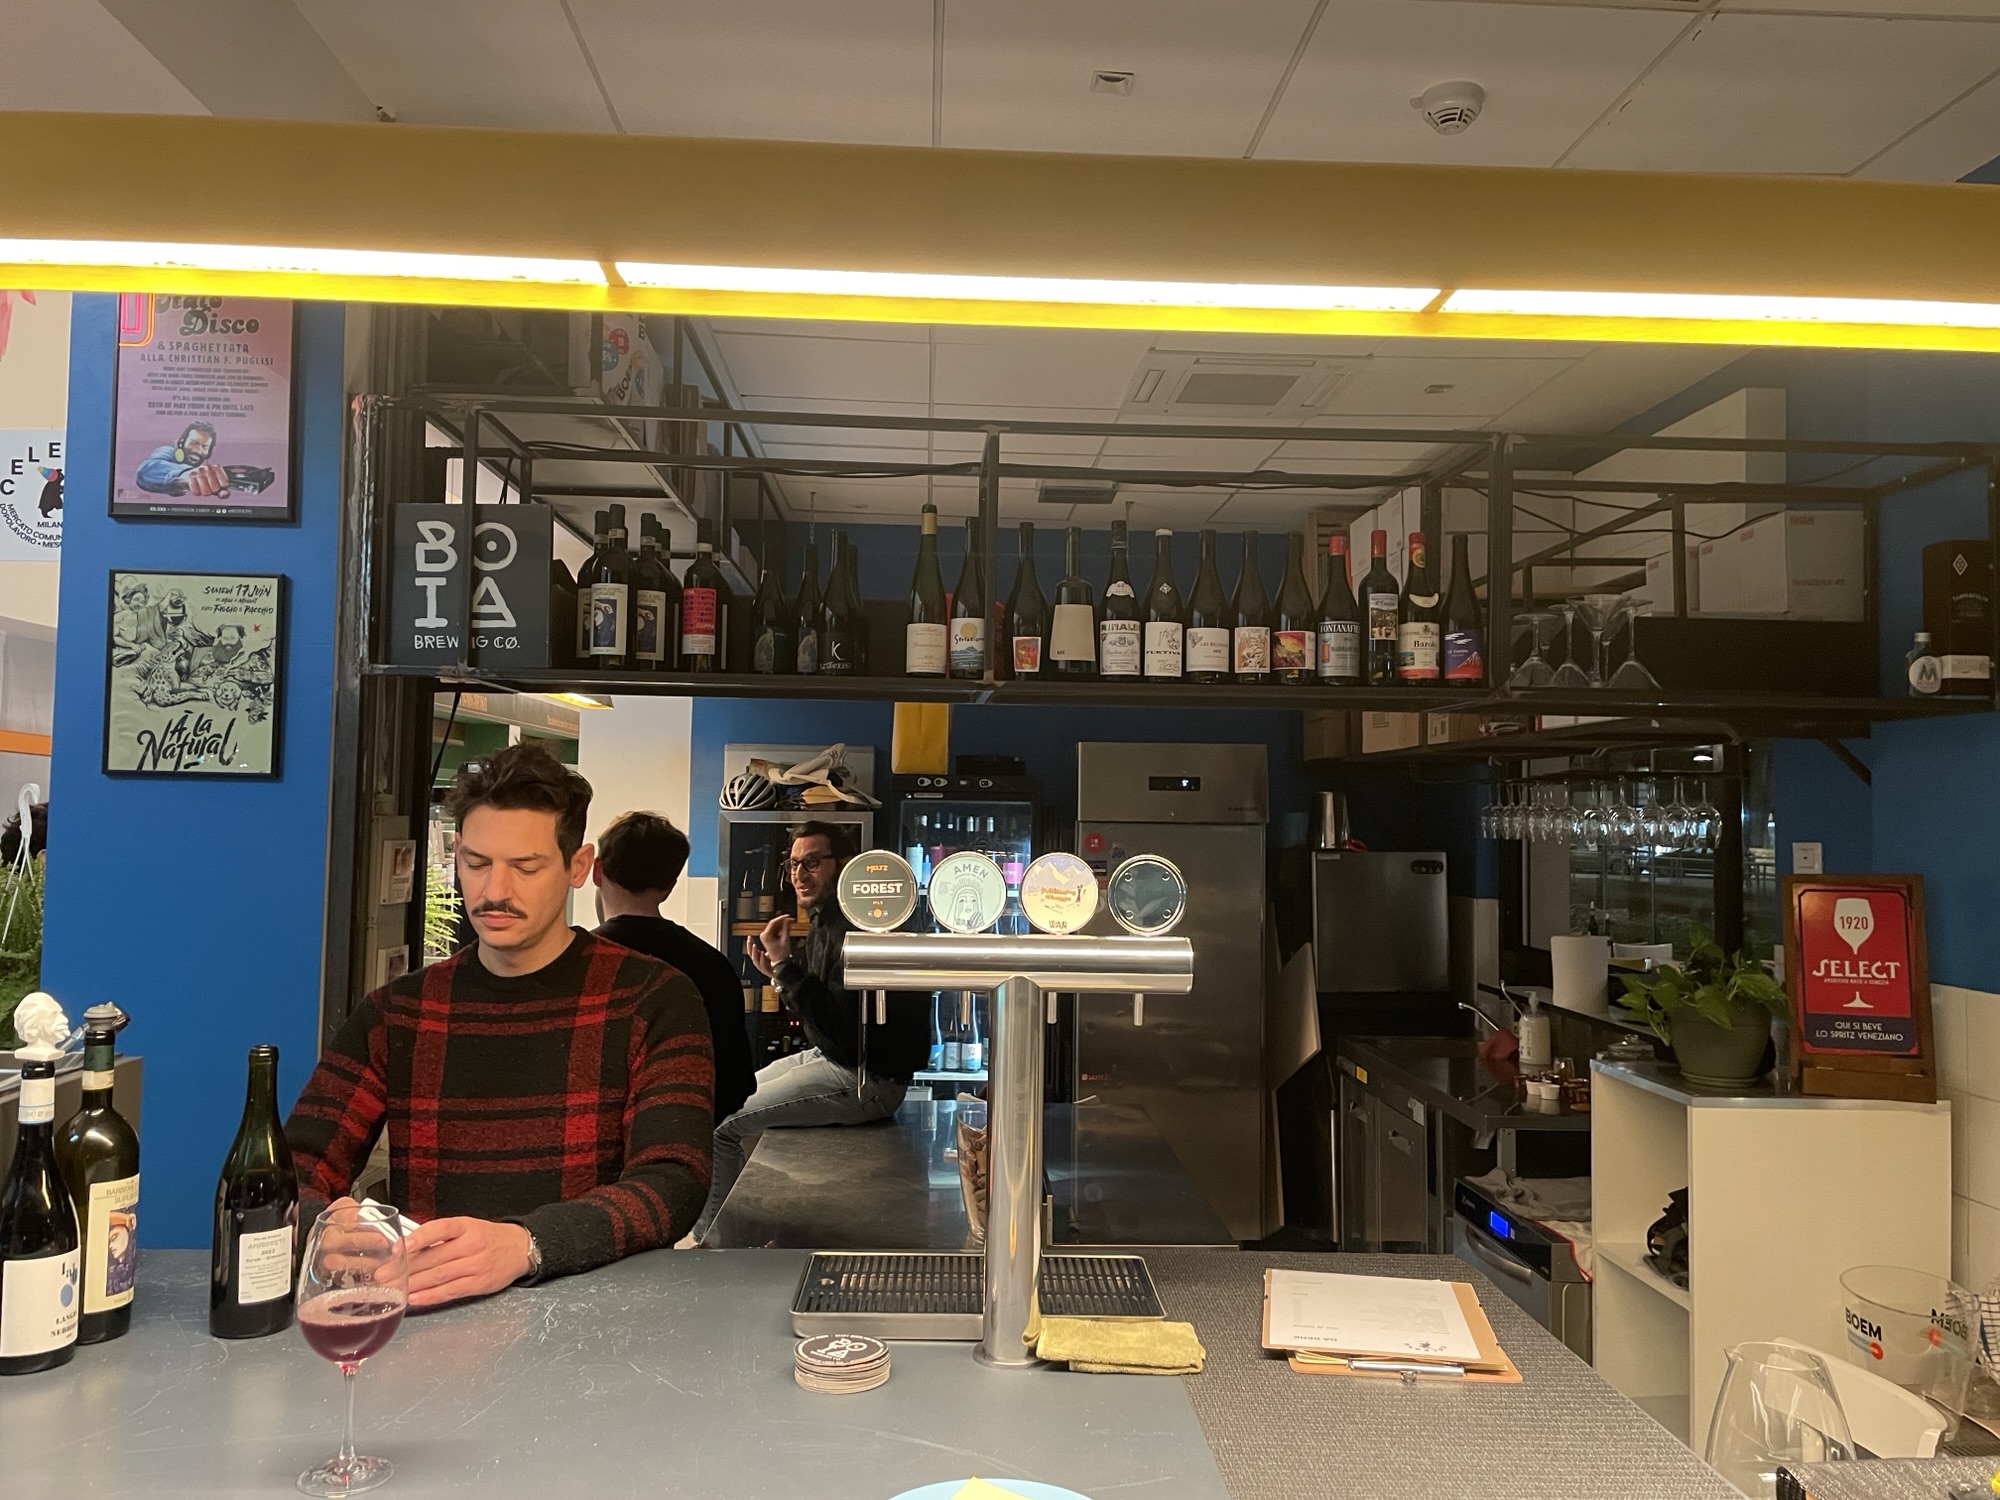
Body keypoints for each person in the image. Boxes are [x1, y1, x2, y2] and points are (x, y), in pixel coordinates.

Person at [285, 742, 714, 1307]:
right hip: (432, 1310)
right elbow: (293, 1166)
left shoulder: (652, 998)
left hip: (599, 1309)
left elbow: (673, 1179)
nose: (494, 892)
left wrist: (527, 1243)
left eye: (525, 867)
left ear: (578, 867)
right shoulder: (399, 1012)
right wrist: (322, 1226)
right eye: (477, 863)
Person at [689, 820, 929, 1243]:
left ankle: (714, 1249)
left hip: (865, 1079)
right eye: (794, 864)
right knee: (722, 1099)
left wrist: (785, 968)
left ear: (844, 865)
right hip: (833, 1058)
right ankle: (735, 1231)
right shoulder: (825, 920)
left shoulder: (855, 927)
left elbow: (844, 1030)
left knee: (720, 1124)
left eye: (813, 863)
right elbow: (826, 1016)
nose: (800, 874)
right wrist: (780, 973)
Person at [592, 810, 756, 1123]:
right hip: (684, 1136)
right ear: (670, 884)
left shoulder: (573, 965)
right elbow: (736, 1085)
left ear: (596, 872)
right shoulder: (712, 966)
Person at [135, 420, 232, 497]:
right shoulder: (167, 452)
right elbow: (146, 470)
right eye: (193, 443)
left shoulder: (206, 473)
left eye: (204, 446)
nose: (197, 450)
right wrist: (185, 475)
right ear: (181, 443)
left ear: (208, 452)